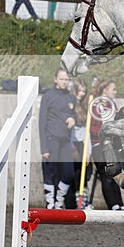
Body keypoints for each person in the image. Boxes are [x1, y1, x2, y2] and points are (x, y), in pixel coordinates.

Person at [87, 79, 124, 211]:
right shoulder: (95, 105)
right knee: (106, 175)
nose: (115, 92)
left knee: (116, 174)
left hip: (113, 145)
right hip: (99, 146)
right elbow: (92, 128)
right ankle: (113, 204)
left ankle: (119, 203)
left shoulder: (112, 105)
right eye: (113, 89)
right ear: (105, 90)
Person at [39, 69, 76, 209]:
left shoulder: (71, 97)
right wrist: (44, 147)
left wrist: (73, 119)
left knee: (68, 173)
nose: (64, 82)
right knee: (51, 171)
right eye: (62, 79)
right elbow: (41, 122)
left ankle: (59, 201)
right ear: (55, 79)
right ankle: (50, 202)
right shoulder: (48, 96)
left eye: (66, 79)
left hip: (65, 140)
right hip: (51, 138)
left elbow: (74, 115)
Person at [71, 79, 91, 204]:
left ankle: (82, 200)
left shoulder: (85, 106)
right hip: (70, 142)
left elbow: (86, 129)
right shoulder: (68, 104)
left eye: (84, 91)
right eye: (79, 91)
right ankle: (71, 200)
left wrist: (88, 151)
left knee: (82, 173)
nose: (82, 93)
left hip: (82, 142)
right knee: (71, 173)